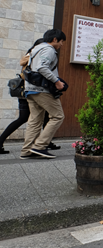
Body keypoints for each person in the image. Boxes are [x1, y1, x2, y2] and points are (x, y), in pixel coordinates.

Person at [0, 39, 61, 155]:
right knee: (27, 118)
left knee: (40, 117)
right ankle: (39, 145)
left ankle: (38, 145)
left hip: (28, 91)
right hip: (30, 92)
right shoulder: (34, 56)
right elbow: (30, 74)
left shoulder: (32, 56)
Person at [20, 29, 67, 159]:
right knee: (58, 116)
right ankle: (39, 146)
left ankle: (27, 150)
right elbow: (42, 67)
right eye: (61, 41)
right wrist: (57, 81)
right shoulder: (49, 50)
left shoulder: (35, 49)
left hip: (30, 89)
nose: (62, 45)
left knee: (35, 121)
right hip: (42, 90)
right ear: (55, 39)